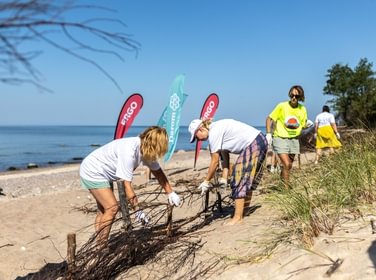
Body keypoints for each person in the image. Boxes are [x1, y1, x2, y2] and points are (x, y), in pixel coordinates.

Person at [79, 126, 181, 247]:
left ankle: (99, 244)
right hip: (93, 170)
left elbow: (158, 172)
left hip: (103, 171)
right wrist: (138, 211)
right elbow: (127, 185)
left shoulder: (146, 150)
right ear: (153, 145)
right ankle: (101, 247)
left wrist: (170, 192)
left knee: (103, 210)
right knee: (112, 208)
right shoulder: (129, 151)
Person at [188, 118, 267, 225]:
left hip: (253, 142)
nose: (199, 140)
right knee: (248, 180)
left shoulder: (214, 133)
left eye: (196, 137)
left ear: (201, 129)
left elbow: (214, 162)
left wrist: (206, 182)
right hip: (260, 139)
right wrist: (224, 178)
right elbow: (225, 156)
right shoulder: (217, 129)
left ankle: (238, 218)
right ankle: (244, 211)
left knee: (238, 178)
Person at [265, 85, 308, 184]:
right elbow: (269, 118)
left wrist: (307, 125)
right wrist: (268, 134)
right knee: (287, 163)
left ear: (300, 97)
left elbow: (302, 124)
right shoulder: (282, 106)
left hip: (294, 139)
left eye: (296, 96)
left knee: (288, 166)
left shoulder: (303, 109)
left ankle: (282, 184)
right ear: (289, 95)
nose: (294, 98)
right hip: (280, 138)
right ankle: (286, 190)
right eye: (292, 95)